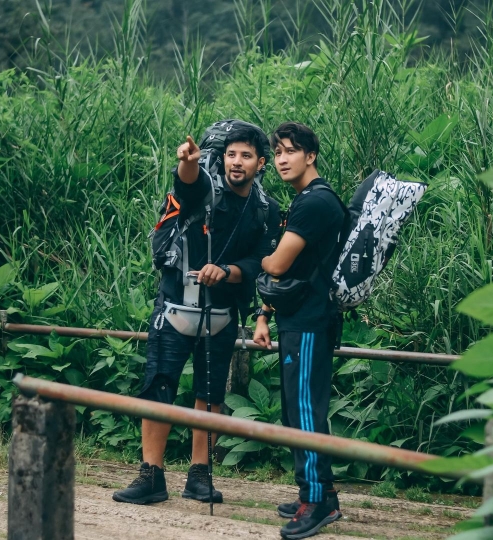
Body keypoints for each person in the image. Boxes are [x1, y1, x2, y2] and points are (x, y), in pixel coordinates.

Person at [113, 125, 280, 505]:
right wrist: (187, 163)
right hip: (175, 306)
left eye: (247, 156)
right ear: (222, 158)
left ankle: (200, 474)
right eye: (232, 155)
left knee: (210, 395)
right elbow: (188, 184)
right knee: (159, 387)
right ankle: (150, 475)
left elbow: (260, 262)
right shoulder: (207, 188)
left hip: (221, 313)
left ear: (261, 164)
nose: (237, 163)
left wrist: (229, 272)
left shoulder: (265, 209)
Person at [253, 122, 348, 539]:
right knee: (297, 410)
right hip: (302, 319)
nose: (282, 160)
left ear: (311, 155)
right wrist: (265, 311)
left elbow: (276, 266)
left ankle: (316, 501)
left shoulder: (315, 203)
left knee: (306, 411)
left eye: (290, 151)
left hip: (310, 322)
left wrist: (261, 258)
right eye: (277, 153)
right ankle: (320, 491)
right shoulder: (308, 199)